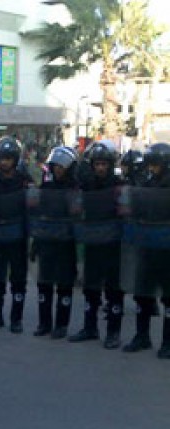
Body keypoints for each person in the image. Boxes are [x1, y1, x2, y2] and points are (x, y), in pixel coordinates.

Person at [68, 140, 125, 348]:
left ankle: (113, 332)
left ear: (110, 165)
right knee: (90, 288)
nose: (100, 168)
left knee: (114, 289)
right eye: (97, 164)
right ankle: (90, 327)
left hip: (113, 245)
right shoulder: (86, 185)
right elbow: (76, 208)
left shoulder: (119, 185)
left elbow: (126, 211)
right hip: (93, 242)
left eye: (104, 164)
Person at [121, 143, 170, 357]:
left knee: (168, 297)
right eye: (150, 164)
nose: (152, 168)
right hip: (146, 246)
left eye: (155, 164)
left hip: (167, 249)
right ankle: (142, 336)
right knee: (142, 294)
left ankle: (168, 342)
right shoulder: (146, 184)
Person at [0, 136, 32, 333]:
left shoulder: (24, 181)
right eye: (2, 158)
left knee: (18, 278)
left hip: (18, 236)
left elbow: (32, 206)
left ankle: (16, 319)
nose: (5, 163)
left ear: (15, 160)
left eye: (9, 159)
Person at [29, 146, 78, 339]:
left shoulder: (75, 188)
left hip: (67, 243)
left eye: (62, 167)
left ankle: (61, 324)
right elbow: (37, 215)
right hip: (46, 241)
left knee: (65, 285)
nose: (58, 170)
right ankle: (44, 323)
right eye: (55, 166)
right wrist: (35, 242)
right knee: (44, 284)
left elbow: (78, 214)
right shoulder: (45, 188)